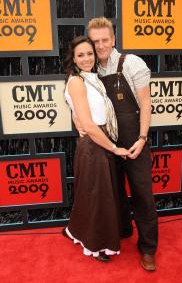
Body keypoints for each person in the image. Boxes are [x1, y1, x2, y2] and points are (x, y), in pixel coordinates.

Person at [86, 17, 158, 271]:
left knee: (143, 196)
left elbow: (146, 103)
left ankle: (148, 249)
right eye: (96, 42)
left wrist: (142, 138)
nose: (101, 45)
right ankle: (122, 232)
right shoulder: (91, 70)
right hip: (108, 143)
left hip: (134, 140)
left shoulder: (132, 63)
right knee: (113, 193)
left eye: (105, 40)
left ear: (114, 39)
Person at [62, 35, 130, 262]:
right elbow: (89, 124)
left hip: (100, 138)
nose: (86, 58)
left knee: (93, 195)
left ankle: (74, 230)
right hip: (95, 143)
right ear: (73, 58)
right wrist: (115, 148)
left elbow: (79, 110)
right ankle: (96, 244)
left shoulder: (93, 78)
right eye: (80, 55)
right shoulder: (77, 81)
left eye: (89, 53)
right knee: (97, 197)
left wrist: (75, 117)